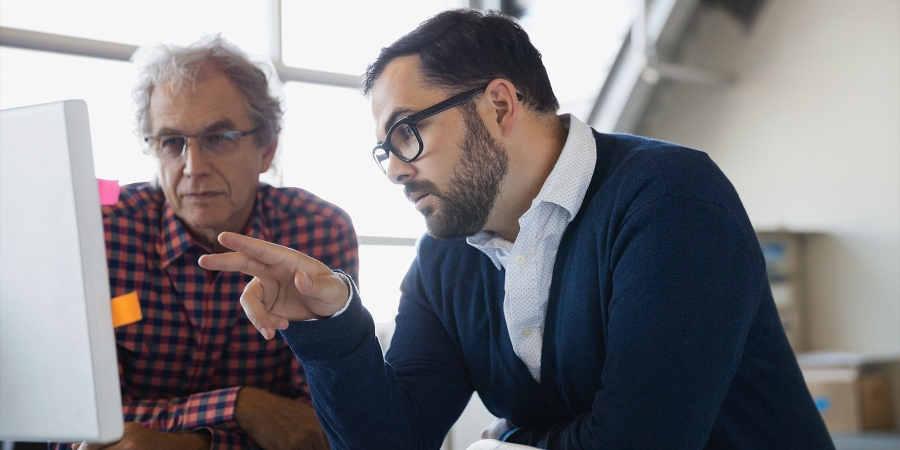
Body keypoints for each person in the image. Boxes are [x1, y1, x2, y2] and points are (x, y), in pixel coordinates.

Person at [199, 10, 833, 450]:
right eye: (383, 149)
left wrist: (509, 439)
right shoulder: (447, 258)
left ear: (498, 105)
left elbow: (645, 443)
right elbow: (393, 441)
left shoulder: (671, 197)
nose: (393, 169)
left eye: (405, 134)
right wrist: (330, 326)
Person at [67, 35, 359, 450]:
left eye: (219, 137)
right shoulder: (100, 230)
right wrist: (242, 407)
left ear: (267, 149)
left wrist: (184, 445)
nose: (193, 168)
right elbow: (78, 428)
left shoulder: (316, 232)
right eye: (171, 142)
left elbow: (319, 428)